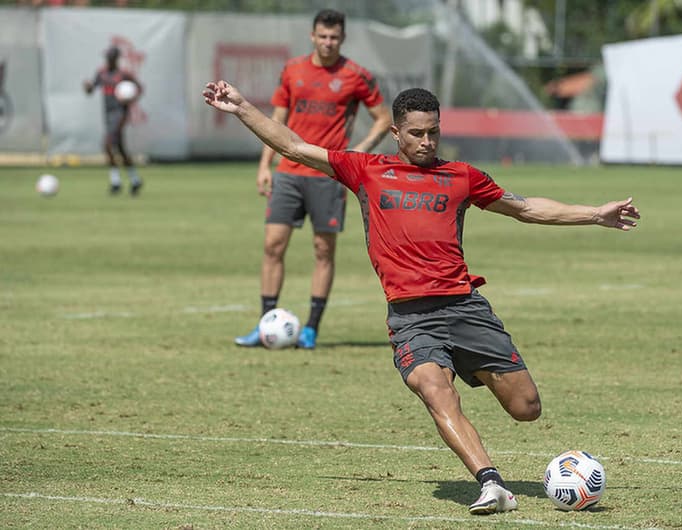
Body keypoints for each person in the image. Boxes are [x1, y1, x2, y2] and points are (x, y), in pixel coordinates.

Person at [203, 80, 640, 515]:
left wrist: (594, 214)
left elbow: (524, 208)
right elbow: (295, 147)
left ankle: (474, 367)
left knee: (526, 408)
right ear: (396, 133)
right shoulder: (366, 170)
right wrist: (242, 107)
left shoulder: (462, 177)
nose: (427, 141)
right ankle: (491, 483)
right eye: (416, 133)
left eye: (433, 132)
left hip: (465, 308)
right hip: (412, 318)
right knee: (435, 390)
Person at [234, 9, 392, 349]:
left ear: (343, 38)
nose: (328, 42)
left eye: (334, 37)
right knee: (272, 246)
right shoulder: (292, 69)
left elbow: (383, 118)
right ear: (312, 36)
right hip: (288, 172)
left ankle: (311, 329)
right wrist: (266, 164)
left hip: (328, 175)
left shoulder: (356, 75)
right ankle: (266, 325)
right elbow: (276, 119)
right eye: (322, 36)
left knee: (323, 250)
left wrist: (357, 153)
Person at [83, 46, 144, 196]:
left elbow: (139, 89)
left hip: (120, 113)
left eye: (111, 57)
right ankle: (135, 180)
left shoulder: (123, 75)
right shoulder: (102, 73)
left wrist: (130, 98)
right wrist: (88, 87)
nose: (108, 60)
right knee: (120, 149)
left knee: (108, 144)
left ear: (116, 58)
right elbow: (91, 90)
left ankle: (115, 182)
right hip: (107, 113)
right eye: (107, 57)